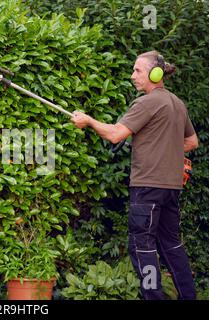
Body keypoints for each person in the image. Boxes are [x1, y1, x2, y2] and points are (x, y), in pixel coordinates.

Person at [71, 51, 199, 300]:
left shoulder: (147, 102)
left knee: (143, 247)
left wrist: (88, 121)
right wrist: (163, 146)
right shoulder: (177, 103)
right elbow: (192, 142)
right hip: (171, 188)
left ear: (155, 74)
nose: (132, 76)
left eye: (137, 71)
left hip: (147, 187)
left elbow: (115, 134)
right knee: (172, 245)